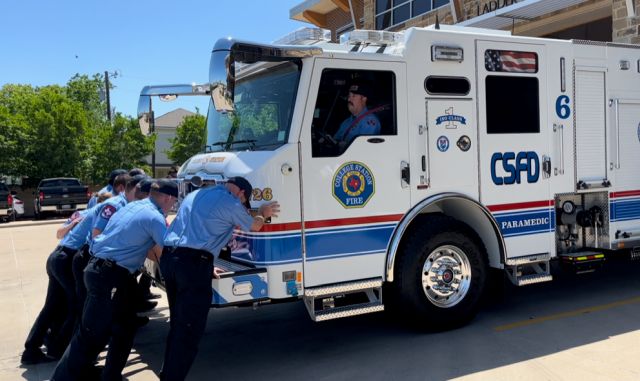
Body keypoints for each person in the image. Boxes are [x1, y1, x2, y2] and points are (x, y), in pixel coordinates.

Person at [51, 180, 177, 381]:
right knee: (90, 333)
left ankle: (110, 376)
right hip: (109, 275)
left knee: (125, 327)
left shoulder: (134, 206)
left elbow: (144, 246)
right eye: (174, 202)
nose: (173, 207)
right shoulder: (155, 217)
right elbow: (170, 251)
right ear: (169, 198)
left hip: (104, 270)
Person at [158, 176, 279, 381]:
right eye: (243, 201)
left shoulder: (196, 194)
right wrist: (262, 213)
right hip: (192, 265)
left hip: (170, 259)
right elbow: (254, 226)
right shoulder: (230, 202)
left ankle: (167, 372)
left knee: (178, 324)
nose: (241, 205)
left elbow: (196, 231)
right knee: (189, 330)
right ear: (241, 193)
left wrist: (206, 262)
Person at [20, 193, 115, 365]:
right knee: (76, 306)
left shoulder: (82, 213)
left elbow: (59, 233)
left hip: (57, 255)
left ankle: (32, 348)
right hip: (68, 259)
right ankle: (58, 348)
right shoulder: (105, 212)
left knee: (52, 305)